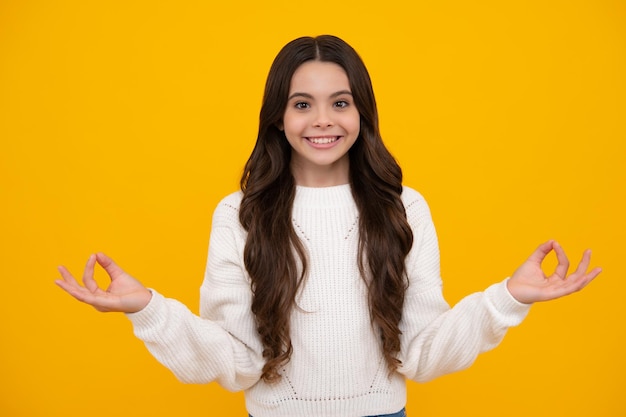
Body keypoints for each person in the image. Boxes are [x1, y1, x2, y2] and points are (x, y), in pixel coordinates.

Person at [55, 35, 601, 417]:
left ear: (361, 112)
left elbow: (423, 353)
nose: (322, 120)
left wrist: (507, 298)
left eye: (340, 102)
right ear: (278, 116)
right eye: (301, 104)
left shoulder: (402, 208)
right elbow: (237, 361)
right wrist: (148, 307)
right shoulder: (239, 214)